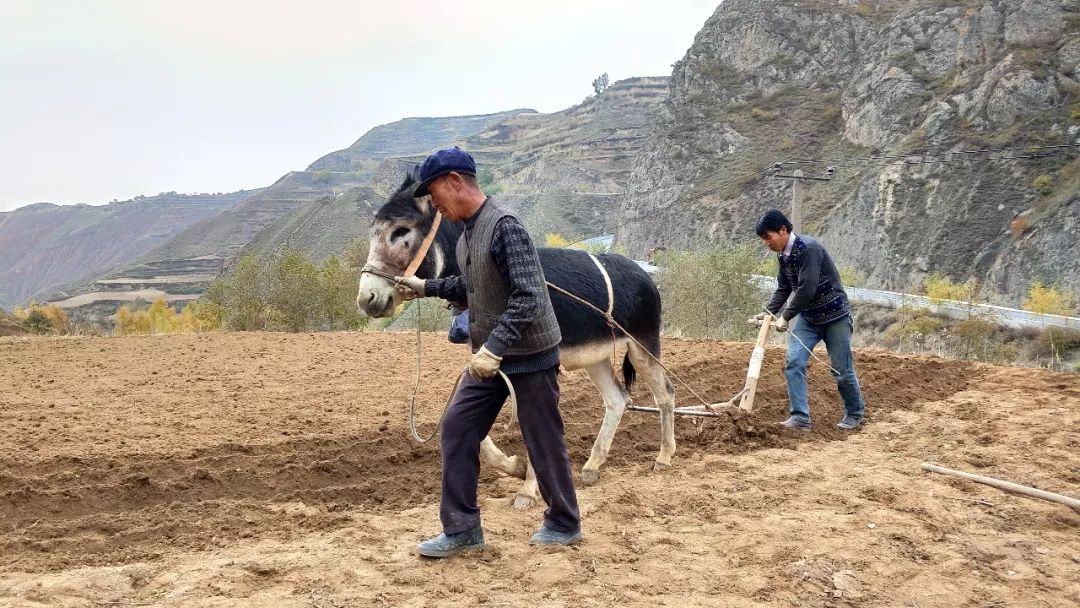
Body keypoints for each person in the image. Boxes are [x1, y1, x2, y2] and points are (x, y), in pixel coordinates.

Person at [394, 147, 581, 558]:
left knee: (543, 439)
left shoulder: (505, 226)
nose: (435, 205)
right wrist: (425, 288)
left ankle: (564, 522)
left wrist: (494, 348)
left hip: (528, 354)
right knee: (458, 427)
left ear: (454, 182)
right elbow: (470, 284)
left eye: (434, 194)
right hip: (491, 360)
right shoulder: (468, 234)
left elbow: (529, 294)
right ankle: (462, 530)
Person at [752, 209, 866, 432]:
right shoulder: (782, 256)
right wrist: (768, 311)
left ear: (783, 230)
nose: (766, 243)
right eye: (763, 239)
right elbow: (784, 288)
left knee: (841, 369)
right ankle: (800, 418)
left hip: (836, 317)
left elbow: (807, 289)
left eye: (768, 237)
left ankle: (855, 413)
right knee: (793, 362)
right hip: (809, 318)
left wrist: (785, 317)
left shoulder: (808, 249)